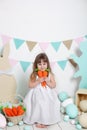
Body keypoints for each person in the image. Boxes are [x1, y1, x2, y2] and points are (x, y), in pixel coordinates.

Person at [23, 53, 61, 128]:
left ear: (47, 64)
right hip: (36, 94)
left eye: (44, 64)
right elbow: (30, 85)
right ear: (36, 65)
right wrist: (38, 81)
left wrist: (48, 81)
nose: (42, 66)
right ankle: (38, 120)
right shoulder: (34, 74)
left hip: (48, 94)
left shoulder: (50, 74)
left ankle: (46, 120)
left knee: (47, 104)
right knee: (38, 104)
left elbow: (53, 85)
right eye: (39, 64)